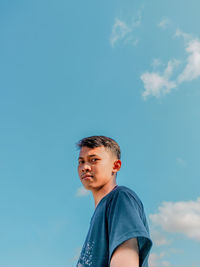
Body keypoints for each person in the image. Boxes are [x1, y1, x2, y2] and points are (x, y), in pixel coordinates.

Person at [76, 135, 152, 267]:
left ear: (116, 166)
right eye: (81, 161)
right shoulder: (99, 213)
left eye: (94, 160)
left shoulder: (120, 198)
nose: (85, 167)